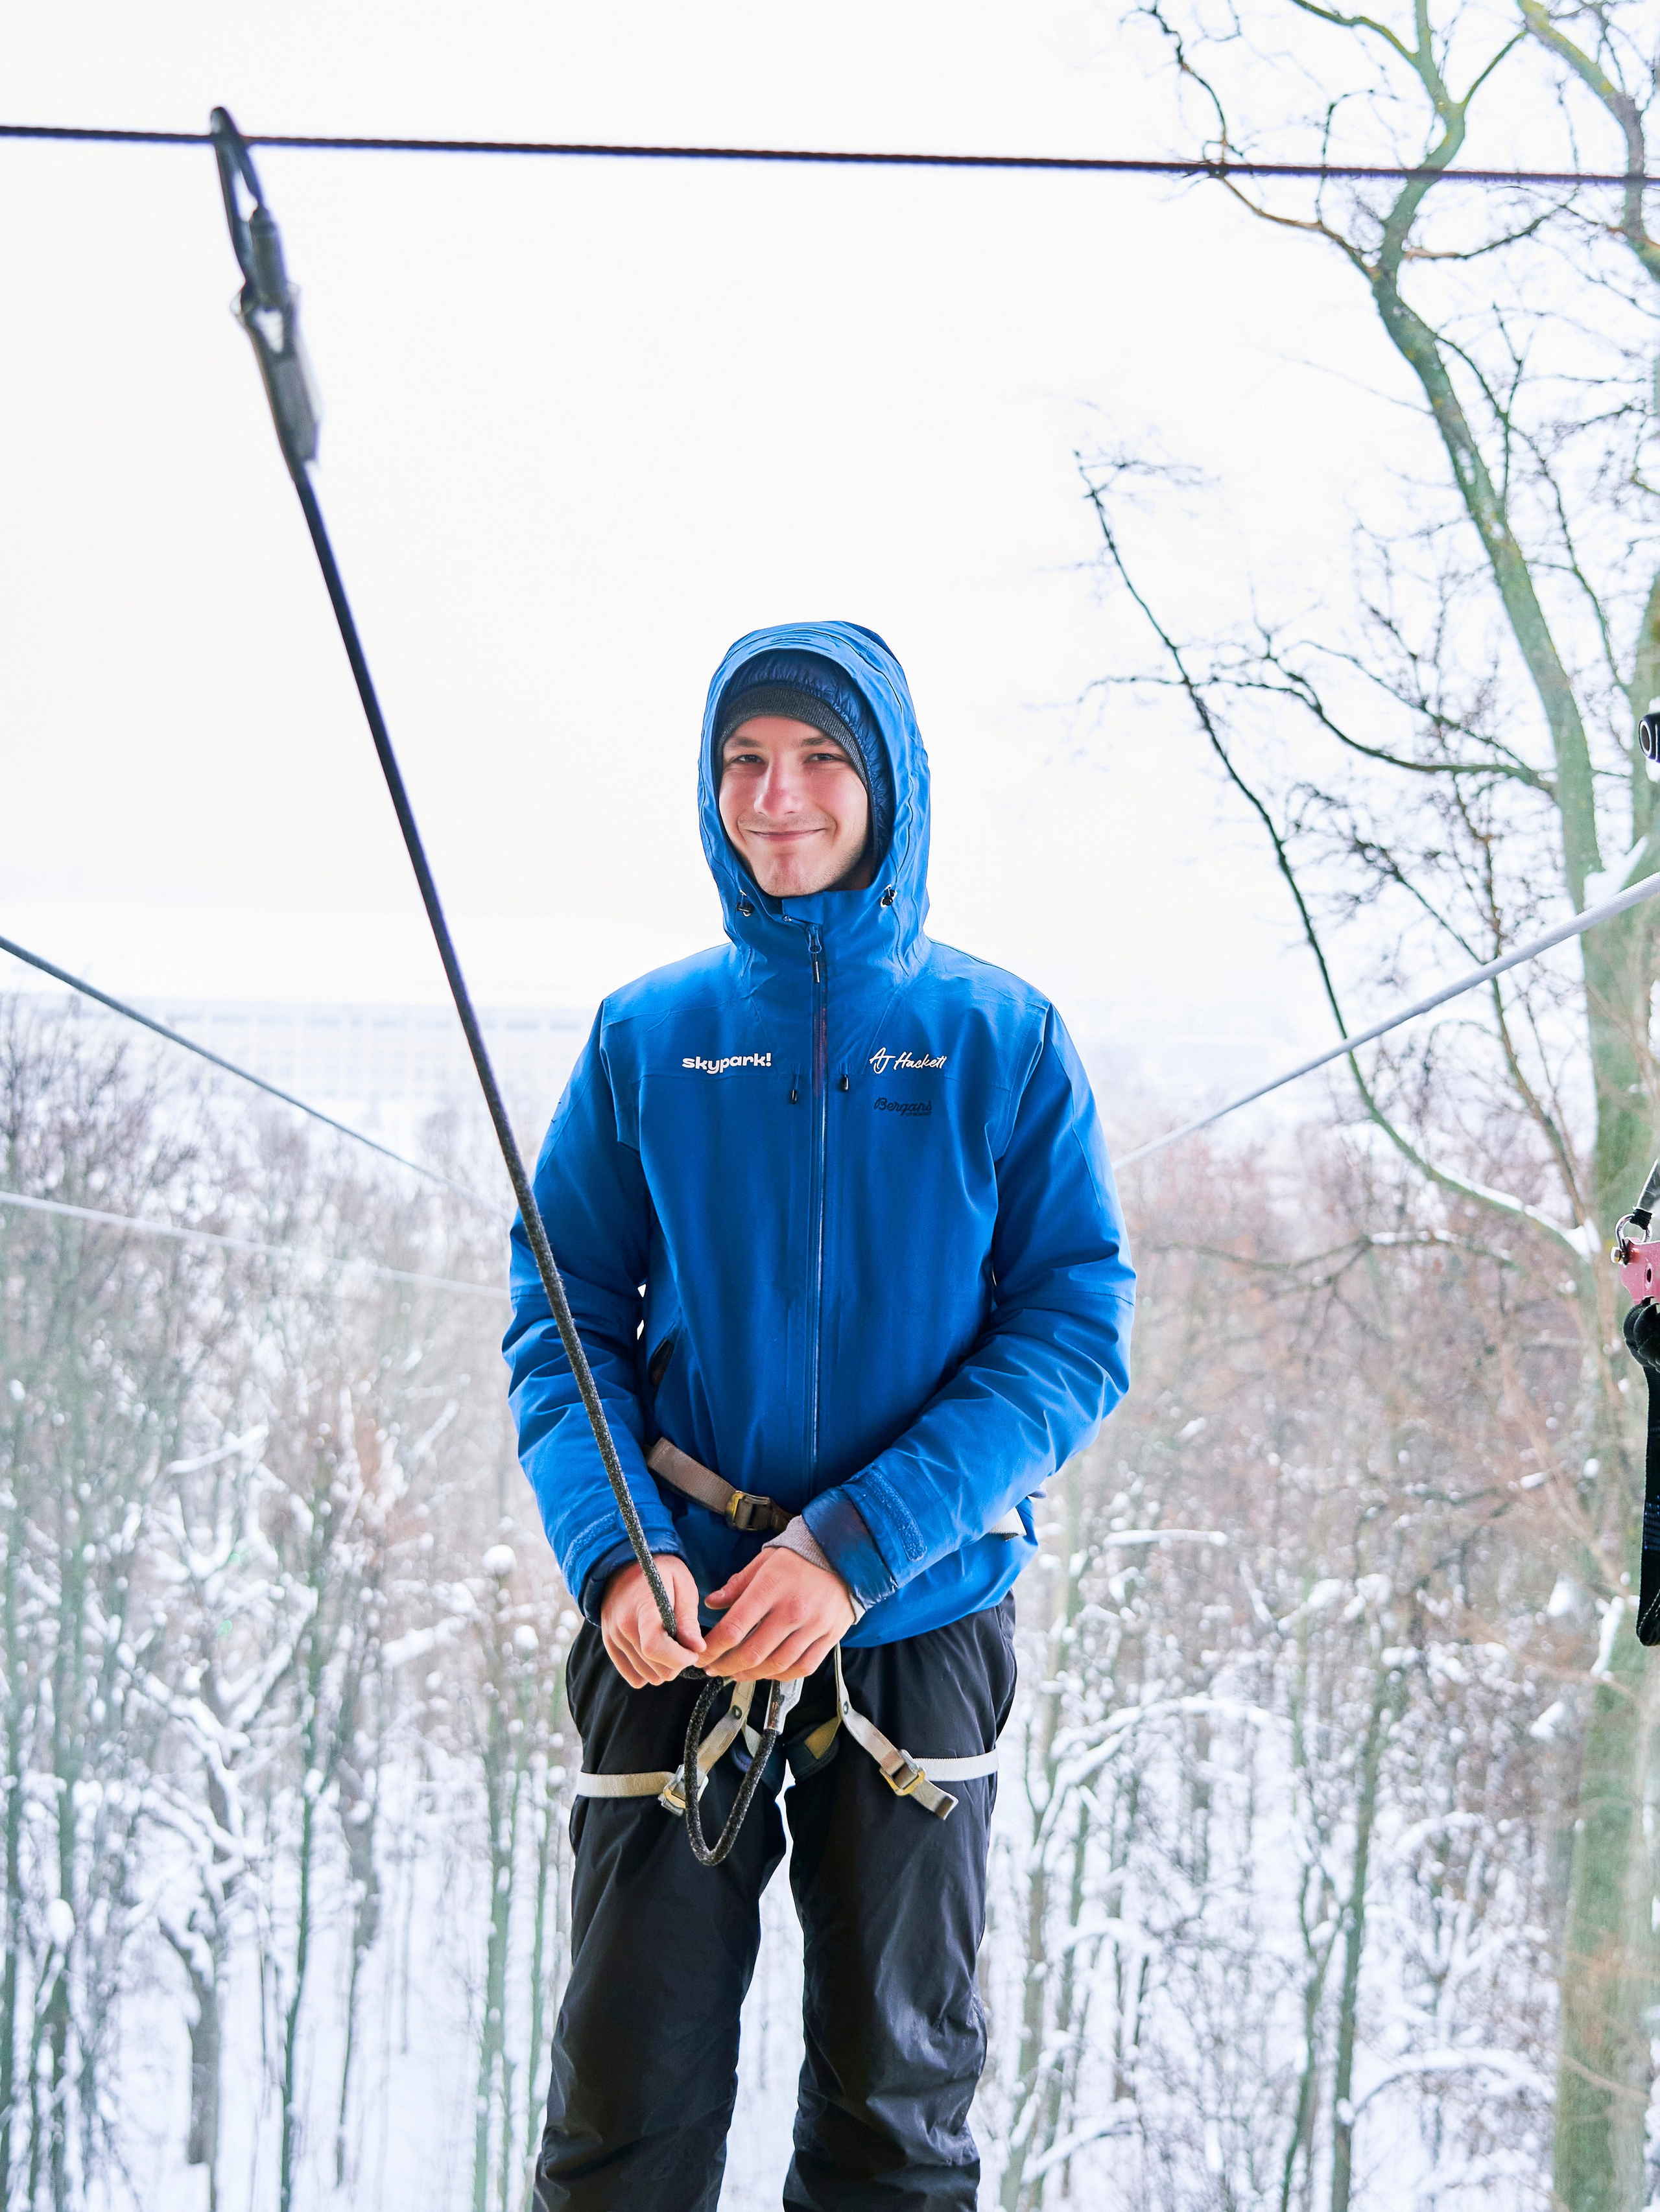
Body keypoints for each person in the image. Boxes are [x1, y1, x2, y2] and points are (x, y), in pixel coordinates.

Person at [504, 621, 1134, 2211]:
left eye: (818, 760)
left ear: (890, 785)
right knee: (620, 2111)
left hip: (915, 1618)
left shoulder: (1002, 1039)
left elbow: (1070, 1329)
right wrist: (617, 1553)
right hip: (679, 1617)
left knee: (895, 2115)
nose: (775, 798)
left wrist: (853, 1548)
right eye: (742, 764)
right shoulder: (646, 1039)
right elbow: (564, 1320)